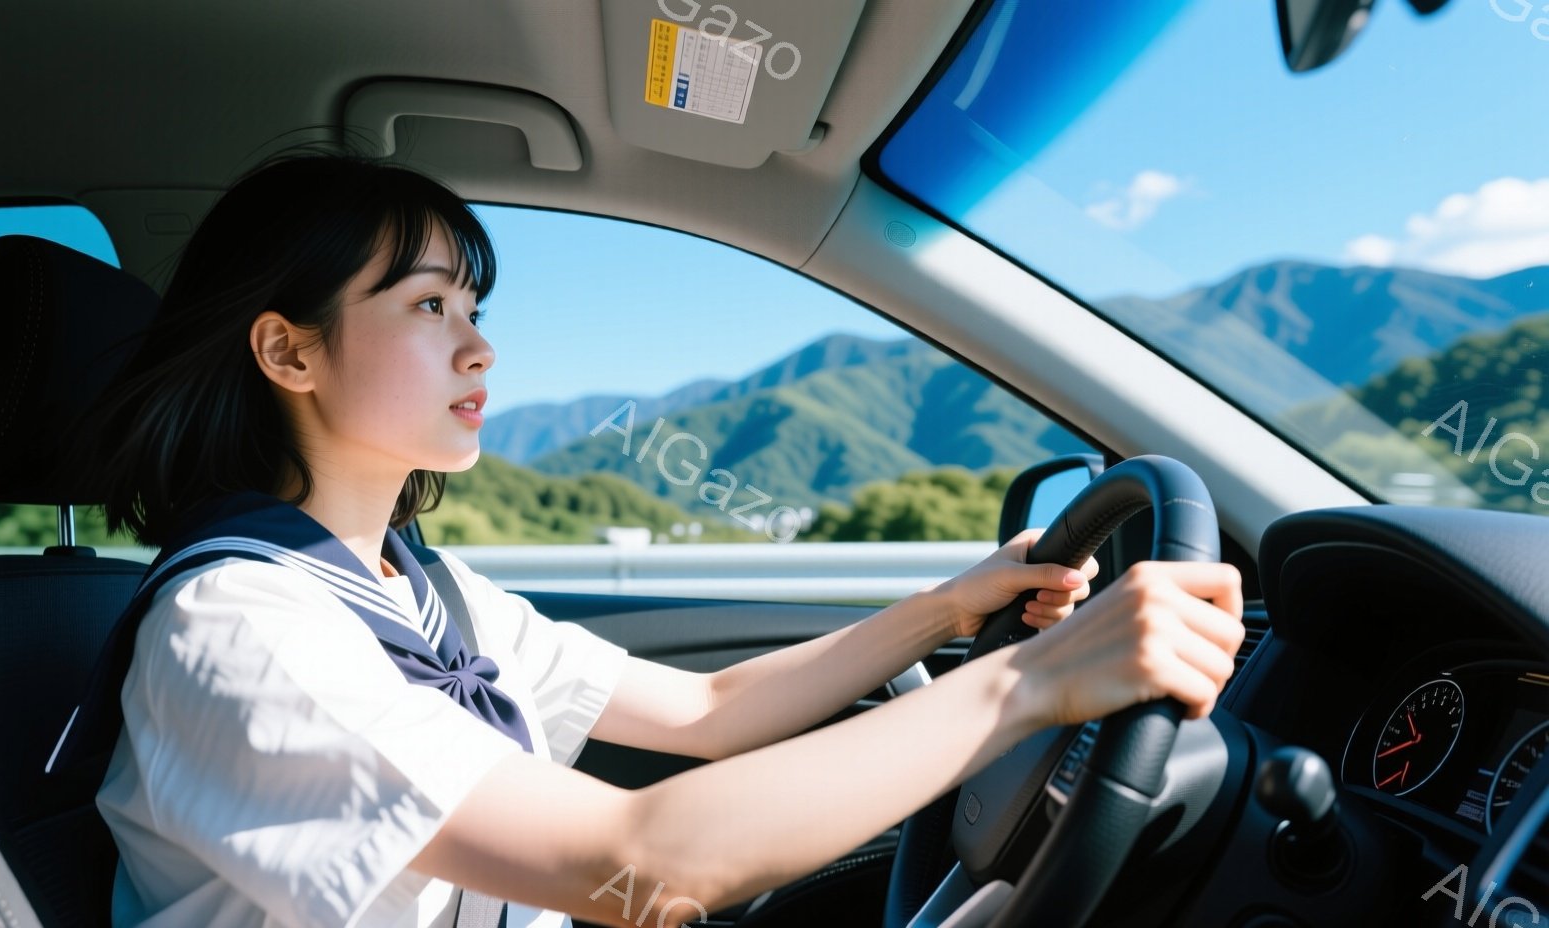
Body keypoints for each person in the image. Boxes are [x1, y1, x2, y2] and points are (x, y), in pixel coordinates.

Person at [71, 148, 1245, 928]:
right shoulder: (237, 631)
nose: (479, 348)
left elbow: (704, 710)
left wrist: (954, 607)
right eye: (429, 306)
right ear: (289, 352)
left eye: (474, 310)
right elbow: (636, 868)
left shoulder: (417, 591)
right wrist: (1032, 684)